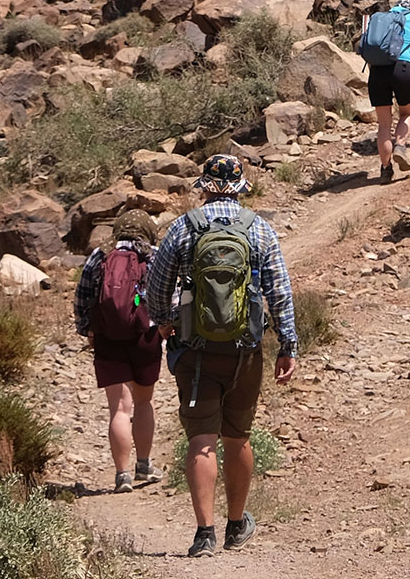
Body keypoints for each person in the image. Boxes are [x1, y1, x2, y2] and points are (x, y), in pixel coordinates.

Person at [146, 156, 297, 558]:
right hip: (245, 350)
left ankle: (203, 534)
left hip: (195, 350)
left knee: (201, 438)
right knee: (238, 436)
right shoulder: (259, 228)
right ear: (240, 187)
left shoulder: (183, 227)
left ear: (205, 186)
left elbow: (156, 284)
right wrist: (288, 344)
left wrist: (163, 322)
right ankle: (235, 524)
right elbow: (279, 290)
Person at [73, 208, 164, 494]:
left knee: (119, 409)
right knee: (143, 402)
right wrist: (164, 327)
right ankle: (144, 464)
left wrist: (87, 329)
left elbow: (83, 294)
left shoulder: (100, 255)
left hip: (108, 337)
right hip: (145, 335)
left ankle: (122, 475)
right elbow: (169, 293)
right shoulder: (154, 255)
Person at [360, 0, 410, 182]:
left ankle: (385, 169)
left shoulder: (379, 18)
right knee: (406, 113)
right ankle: (400, 146)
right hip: (403, 69)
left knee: (383, 124)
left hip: (377, 72)